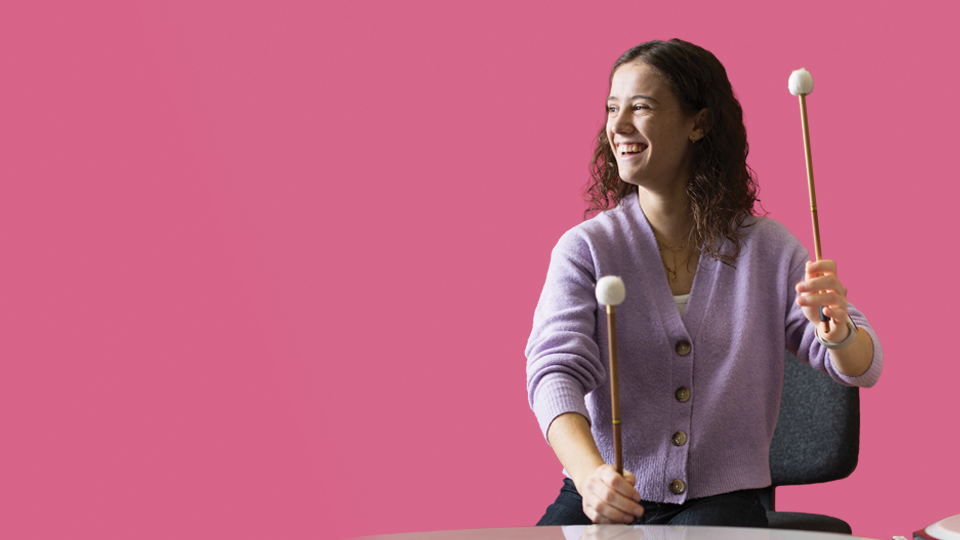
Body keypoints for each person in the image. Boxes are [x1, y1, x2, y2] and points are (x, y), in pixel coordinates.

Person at [525, 39, 882, 528]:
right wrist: (591, 478)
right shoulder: (585, 249)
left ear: (699, 122)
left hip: (724, 500)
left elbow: (862, 366)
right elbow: (553, 373)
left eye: (642, 107)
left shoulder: (769, 249)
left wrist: (838, 331)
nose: (619, 125)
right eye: (612, 107)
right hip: (598, 490)